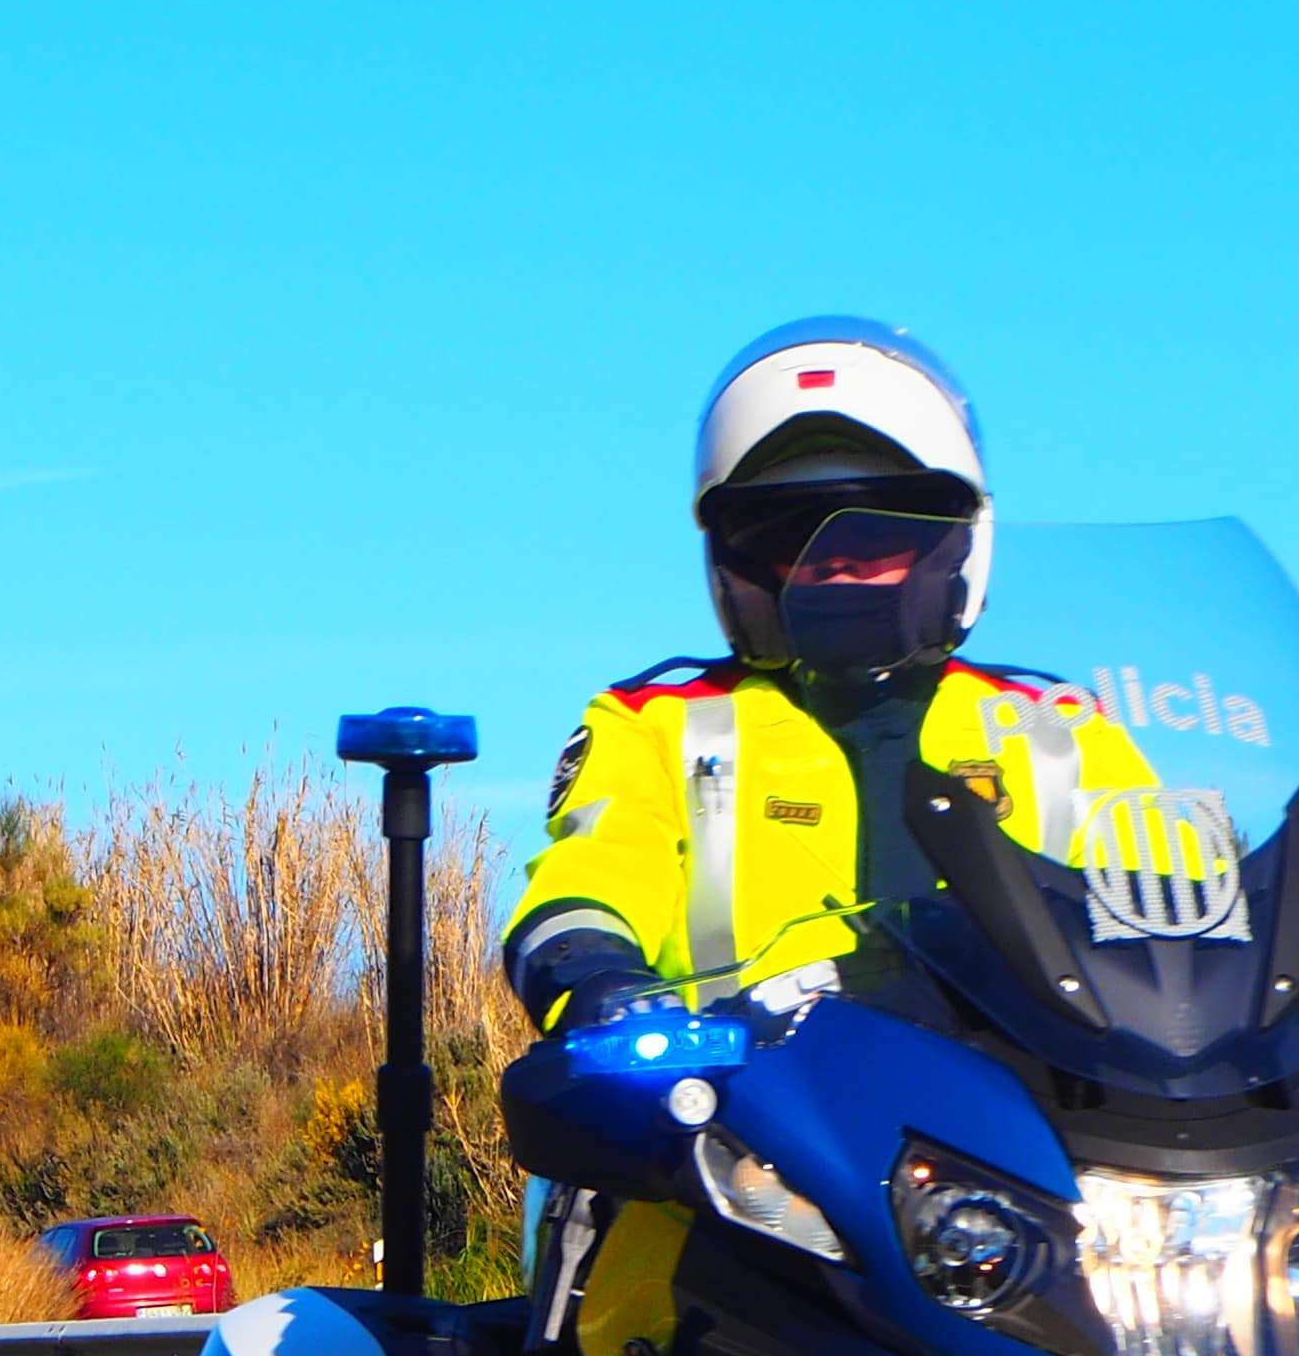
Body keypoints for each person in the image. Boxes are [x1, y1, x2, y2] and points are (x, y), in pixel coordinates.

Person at [497, 316, 1184, 1038]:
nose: (838, 560)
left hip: (1036, 1115)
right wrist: (599, 980)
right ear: (744, 564)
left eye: (876, 531)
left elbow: (1180, 898)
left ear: (949, 543)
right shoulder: (658, 725)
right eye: (798, 536)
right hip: (744, 1124)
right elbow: (591, 877)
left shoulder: (1057, 727)